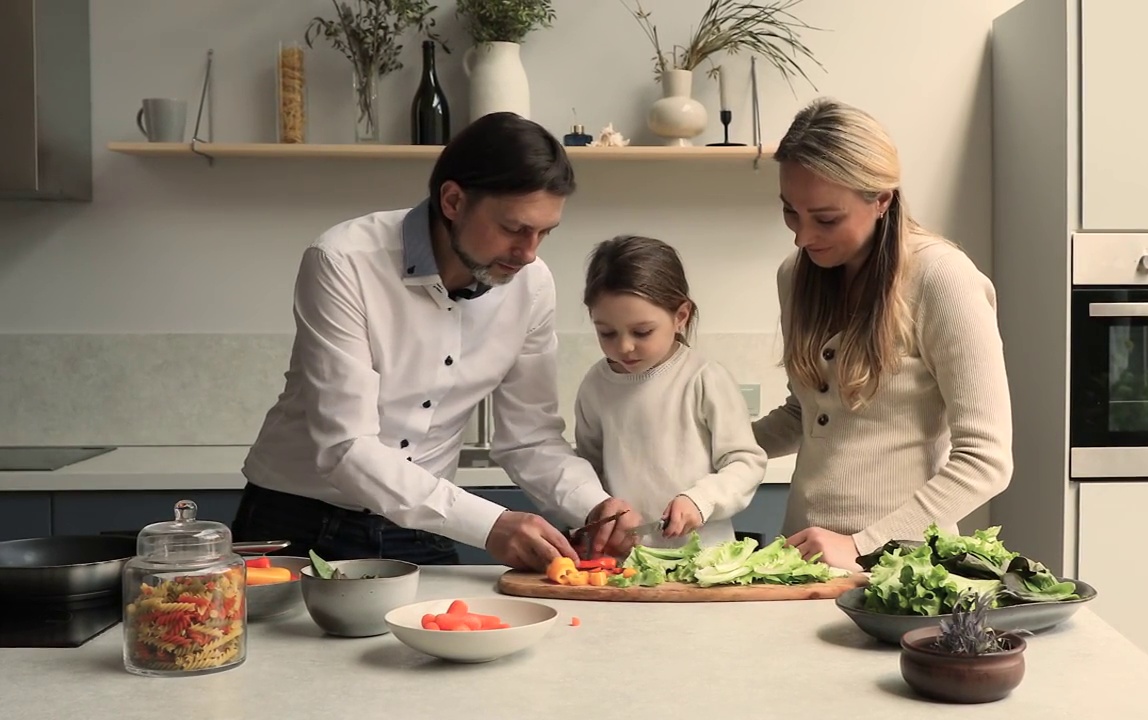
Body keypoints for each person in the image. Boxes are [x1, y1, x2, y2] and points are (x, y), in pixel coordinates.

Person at [231, 112, 640, 571]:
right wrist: (490, 524)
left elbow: (529, 437)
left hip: (421, 529)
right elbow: (346, 447)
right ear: (452, 201)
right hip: (295, 519)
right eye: (514, 228)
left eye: (544, 232)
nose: (528, 253)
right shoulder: (343, 260)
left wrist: (593, 504)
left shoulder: (533, 285)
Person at [751, 98, 1014, 571]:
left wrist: (859, 545)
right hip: (797, 558)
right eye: (791, 212)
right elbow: (806, 413)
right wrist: (705, 454)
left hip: (902, 567)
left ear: (881, 199)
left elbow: (986, 460)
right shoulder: (795, 275)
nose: (802, 237)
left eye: (826, 219)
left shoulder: (942, 278)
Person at [572, 235, 767, 549]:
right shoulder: (596, 385)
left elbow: (746, 462)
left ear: (680, 316)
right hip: (626, 562)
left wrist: (700, 500)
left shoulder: (704, 379)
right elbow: (588, 471)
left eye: (642, 331)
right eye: (606, 332)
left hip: (705, 560)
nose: (623, 346)